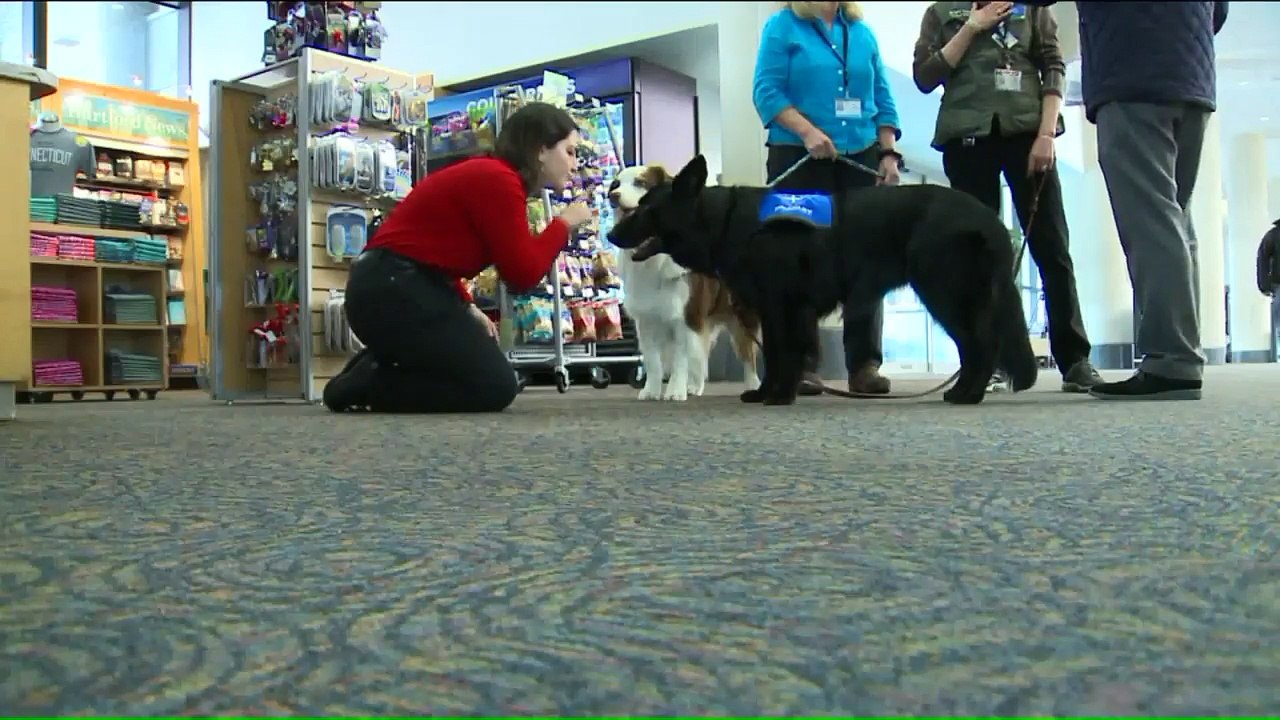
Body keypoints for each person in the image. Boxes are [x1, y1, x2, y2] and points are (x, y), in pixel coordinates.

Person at [322, 102, 594, 413]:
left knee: (482, 371)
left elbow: (434, 245)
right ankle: (368, 383)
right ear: (541, 150)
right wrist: (562, 225)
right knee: (494, 386)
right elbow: (522, 274)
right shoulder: (499, 180)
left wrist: (464, 303)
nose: (575, 164)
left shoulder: (491, 175)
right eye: (570, 151)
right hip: (394, 292)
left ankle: (378, 365)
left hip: (389, 287)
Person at [1025, 0, 1228, 400]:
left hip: (1134, 77)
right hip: (1191, 79)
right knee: (1174, 218)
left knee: (1152, 222)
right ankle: (1181, 357)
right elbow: (1218, 12)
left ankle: (1172, 361)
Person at [912, 0, 1102, 394]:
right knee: (972, 260)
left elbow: (1054, 68)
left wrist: (1047, 134)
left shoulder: (1033, 10)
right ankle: (986, 361)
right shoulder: (941, 12)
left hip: (1027, 136)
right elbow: (925, 77)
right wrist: (972, 27)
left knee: (1052, 249)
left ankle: (1075, 360)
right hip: (967, 138)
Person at [752, 0, 904, 396]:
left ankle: (864, 364)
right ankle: (797, 364)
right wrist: (806, 131)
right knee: (795, 259)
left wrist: (888, 153)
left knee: (866, 259)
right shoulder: (782, 26)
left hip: (859, 156)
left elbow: (883, 97)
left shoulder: (862, 31)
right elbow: (766, 91)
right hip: (800, 155)